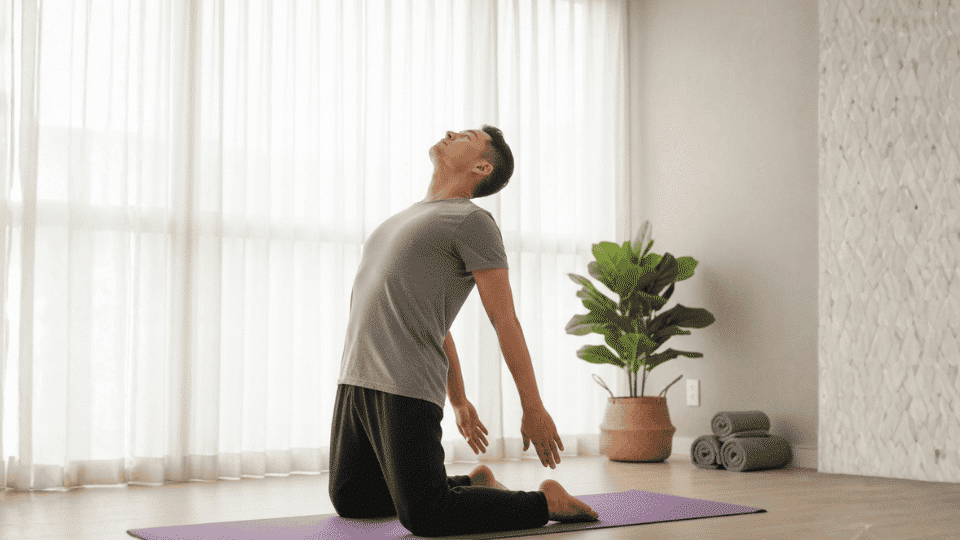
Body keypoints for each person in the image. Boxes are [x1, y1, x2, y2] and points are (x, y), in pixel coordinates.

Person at [329, 125, 599, 537]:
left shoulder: (472, 221)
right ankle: (474, 485)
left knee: (427, 518)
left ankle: (545, 502)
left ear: (481, 166)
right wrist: (459, 399)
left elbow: (504, 319)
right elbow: (429, 319)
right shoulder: (403, 217)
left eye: (467, 135)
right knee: (353, 499)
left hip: (405, 382)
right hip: (356, 377)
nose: (452, 131)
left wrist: (533, 406)